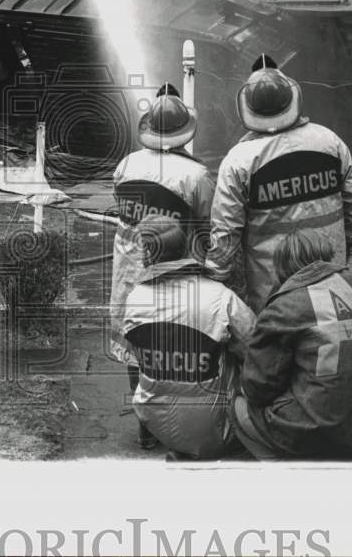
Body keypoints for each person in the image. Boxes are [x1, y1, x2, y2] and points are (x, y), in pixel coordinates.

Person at [205, 57, 352, 312]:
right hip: (331, 276)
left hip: (273, 292)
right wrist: (344, 249)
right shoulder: (330, 142)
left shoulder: (239, 161)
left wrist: (215, 277)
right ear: (292, 99)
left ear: (247, 107)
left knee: (278, 335)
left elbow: (225, 232)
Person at [229, 229, 352, 461]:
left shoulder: (284, 306)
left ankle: (292, 471)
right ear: (326, 254)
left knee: (237, 407)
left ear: (281, 265)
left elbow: (258, 388)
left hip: (321, 434)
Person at [110, 90, 216, 449]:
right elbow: (208, 225)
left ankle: (145, 427)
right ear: (185, 132)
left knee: (135, 342)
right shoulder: (197, 175)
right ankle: (175, 423)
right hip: (175, 270)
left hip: (129, 269)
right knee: (173, 344)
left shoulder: (126, 164)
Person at [121, 215, 256, 459]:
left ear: (149, 254)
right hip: (214, 429)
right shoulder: (220, 297)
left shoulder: (134, 299)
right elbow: (257, 351)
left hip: (153, 420)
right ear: (185, 248)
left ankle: (168, 445)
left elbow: (135, 360)